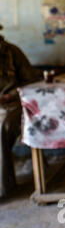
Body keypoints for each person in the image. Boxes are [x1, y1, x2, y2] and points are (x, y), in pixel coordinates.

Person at [0, 25, 41, 199]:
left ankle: (4, 187)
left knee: (1, 127)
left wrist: (10, 96)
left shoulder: (12, 52)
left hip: (11, 104)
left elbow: (31, 80)